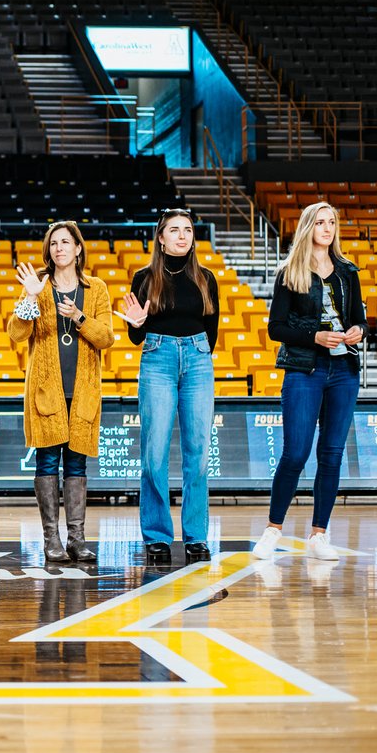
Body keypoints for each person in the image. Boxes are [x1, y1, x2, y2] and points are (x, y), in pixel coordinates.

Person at [253, 202, 363, 563]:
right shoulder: (290, 272)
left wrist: (357, 332)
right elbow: (276, 328)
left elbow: (360, 319)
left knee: (331, 455)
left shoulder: (348, 271)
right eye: (320, 222)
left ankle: (319, 535)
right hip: (304, 370)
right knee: (296, 453)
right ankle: (273, 529)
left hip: (343, 372)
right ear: (307, 227)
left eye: (332, 221)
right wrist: (315, 336)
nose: (327, 228)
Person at [8, 222, 114, 564]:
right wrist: (30, 296)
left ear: (78, 249)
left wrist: (79, 316)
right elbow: (17, 333)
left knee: (77, 465)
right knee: (48, 462)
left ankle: (77, 539)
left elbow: (106, 338)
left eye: (66, 242)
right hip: (46, 391)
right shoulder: (38, 285)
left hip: (81, 392)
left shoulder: (95, 288)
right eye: (54, 243)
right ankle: (51, 539)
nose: (59, 248)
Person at [121, 208, 220, 564]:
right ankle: (157, 536)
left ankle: (196, 535)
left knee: (198, 452)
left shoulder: (207, 278)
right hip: (157, 359)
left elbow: (212, 332)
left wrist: (194, 351)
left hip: (197, 360)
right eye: (174, 230)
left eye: (188, 230)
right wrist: (136, 324)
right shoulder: (144, 278)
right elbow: (135, 335)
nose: (182, 235)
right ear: (160, 238)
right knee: (154, 453)